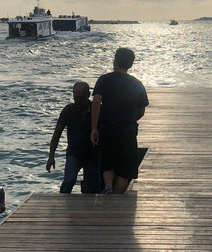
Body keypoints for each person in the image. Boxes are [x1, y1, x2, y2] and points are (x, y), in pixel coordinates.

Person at [90, 47, 149, 194]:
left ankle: (108, 187)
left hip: (107, 128)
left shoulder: (104, 80)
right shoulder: (137, 84)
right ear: (131, 64)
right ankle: (115, 196)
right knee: (126, 169)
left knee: (107, 162)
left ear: (115, 61)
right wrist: (128, 119)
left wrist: (94, 128)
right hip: (127, 130)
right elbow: (141, 110)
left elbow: (96, 102)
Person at [46, 81, 101, 194]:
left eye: (82, 97)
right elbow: (57, 134)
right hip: (74, 153)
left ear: (88, 95)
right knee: (68, 181)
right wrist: (51, 156)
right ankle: (63, 204)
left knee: (94, 185)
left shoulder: (96, 110)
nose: (79, 101)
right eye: (76, 98)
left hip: (92, 154)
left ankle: (94, 209)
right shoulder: (68, 110)